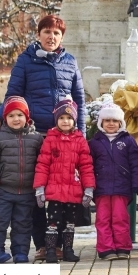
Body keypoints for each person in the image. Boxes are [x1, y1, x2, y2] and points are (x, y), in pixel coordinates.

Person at [0, 15, 86, 261]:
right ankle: (42, 245)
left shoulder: (70, 62)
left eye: (56, 33)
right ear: (39, 34)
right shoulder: (25, 60)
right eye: (47, 32)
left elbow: (79, 101)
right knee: (38, 195)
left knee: (60, 195)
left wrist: (80, 134)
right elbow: (14, 92)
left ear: (61, 37)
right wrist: (0, 115)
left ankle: (61, 245)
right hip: (33, 134)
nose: (51, 37)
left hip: (62, 135)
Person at [33, 98, 95, 263]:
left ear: (74, 119)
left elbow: (86, 166)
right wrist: (40, 187)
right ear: (56, 120)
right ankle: (51, 251)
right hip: (54, 190)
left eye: (69, 118)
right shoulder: (50, 139)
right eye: (61, 118)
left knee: (70, 223)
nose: (65, 121)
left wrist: (88, 188)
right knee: (53, 222)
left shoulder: (80, 140)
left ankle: (68, 250)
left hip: (73, 190)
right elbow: (43, 164)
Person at [0, 97, 44, 264]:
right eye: (11, 116)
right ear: (5, 118)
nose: (16, 119)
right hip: (3, 191)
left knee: (23, 224)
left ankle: (20, 252)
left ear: (27, 117)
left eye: (19, 115)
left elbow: (43, 163)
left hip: (27, 192)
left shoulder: (37, 138)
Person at [89, 102, 138, 260]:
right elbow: (88, 166)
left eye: (114, 121)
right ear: (101, 123)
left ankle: (122, 247)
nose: (111, 124)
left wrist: (136, 183)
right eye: (107, 121)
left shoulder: (128, 141)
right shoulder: (95, 143)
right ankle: (106, 249)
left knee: (120, 218)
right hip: (102, 188)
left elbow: (135, 164)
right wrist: (89, 186)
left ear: (120, 123)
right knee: (103, 219)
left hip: (121, 187)